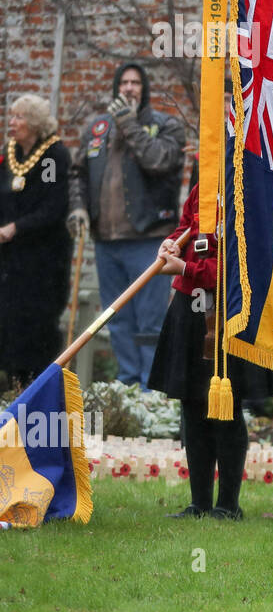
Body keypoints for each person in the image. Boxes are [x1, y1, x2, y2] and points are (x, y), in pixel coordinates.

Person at [151, 184, 273, 519]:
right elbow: (188, 225)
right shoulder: (204, 183)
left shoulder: (253, 184)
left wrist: (185, 269)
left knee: (227, 409)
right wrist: (173, 241)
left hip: (230, 310)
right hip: (190, 308)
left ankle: (227, 505)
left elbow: (239, 264)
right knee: (192, 406)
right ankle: (199, 503)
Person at [68, 62, 185, 389]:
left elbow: (158, 161)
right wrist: (78, 209)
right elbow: (77, 172)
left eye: (135, 83)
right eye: (124, 83)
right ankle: (127, 382)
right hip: (106, 241)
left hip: (148, 238)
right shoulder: (98, 129)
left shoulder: (164, 125)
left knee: (149, 321)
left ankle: (150, 389)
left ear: (143, 88)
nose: (129, 88)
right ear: (116, 88)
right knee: (116, 318)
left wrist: (129, 124)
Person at [0, 95, 72, 386]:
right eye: (12, 116)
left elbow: (54, 206)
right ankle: (10, 382)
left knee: (36, 321)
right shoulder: (9, 155)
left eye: (20, 117)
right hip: (10, 257)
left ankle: (36, 385)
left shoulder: (52, 157)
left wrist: (16, 227)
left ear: (35, 123)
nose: (12, 122)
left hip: (44, 257)